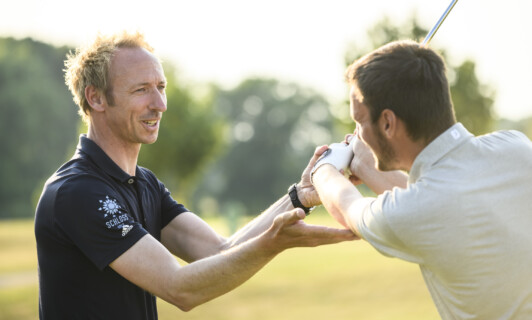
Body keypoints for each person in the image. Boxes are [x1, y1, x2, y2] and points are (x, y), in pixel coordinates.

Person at [34, 31, 355, 320]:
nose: (159, 104)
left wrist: (298, 196)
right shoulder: (77, 191)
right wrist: (273, 243)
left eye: (161, 87)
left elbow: (218, 251)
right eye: (141, 90)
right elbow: (180, 288)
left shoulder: (144, 183)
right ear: (96, 98)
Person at [309, 40, 532, 319]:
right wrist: (366, 166)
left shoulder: (416, 210)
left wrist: (324, 166)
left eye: (359, 121)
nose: (358, 133)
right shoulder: (517, 146)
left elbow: (346, 206)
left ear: (388, 123)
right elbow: (439, 203)